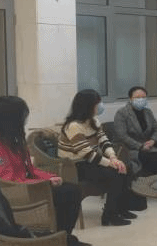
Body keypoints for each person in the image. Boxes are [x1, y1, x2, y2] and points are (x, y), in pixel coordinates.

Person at [0, 96, 82, 234]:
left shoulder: (13, 139)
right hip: (14, 193)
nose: (25, 119)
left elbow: (29, 169)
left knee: (70, 189)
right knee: (69, 193)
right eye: (24, 115)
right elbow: (9, 182)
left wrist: (49, 177)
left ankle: (62, 234)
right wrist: (43, 184)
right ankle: (60, 235)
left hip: (27, 186)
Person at [58, 89, 144, 226]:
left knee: (125, 168)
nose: (100, 106)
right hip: (74, 166)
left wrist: (114, 158)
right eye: (97, 103)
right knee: (114, 173)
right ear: (87, 106)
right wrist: (110, 163)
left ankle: (121, 208)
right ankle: (109, 215)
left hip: (90, 161)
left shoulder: (93, 121)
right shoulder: (73, 126)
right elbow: (86, 153)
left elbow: (104, 142)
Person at [113, 86, 157, 177]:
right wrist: (140, 146)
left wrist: (153, 140)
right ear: (130, 99)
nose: (141, 100)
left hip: (148, 147)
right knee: (156, 159)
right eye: (137, 97)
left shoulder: (147, 112)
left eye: (143, 97)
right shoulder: (122, 113)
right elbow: (122, 136)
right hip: (129, 149)